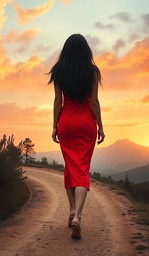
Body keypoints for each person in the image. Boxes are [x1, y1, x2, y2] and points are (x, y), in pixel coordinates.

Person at [46, 33, 105, 239]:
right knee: (82, 169)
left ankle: (71, 210)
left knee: (71, 167)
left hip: (67, 124)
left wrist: (54, 126)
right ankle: (78, 215)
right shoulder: (92, 72)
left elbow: (57, 102)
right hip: (86, 125)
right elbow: (94, 101)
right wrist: (100, 126)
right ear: (86, 51)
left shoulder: (59, 71)